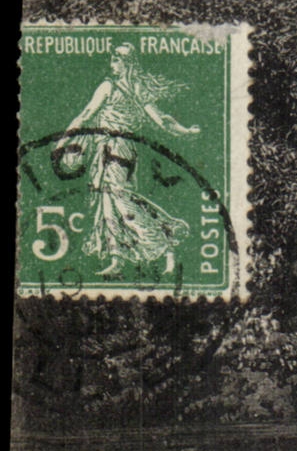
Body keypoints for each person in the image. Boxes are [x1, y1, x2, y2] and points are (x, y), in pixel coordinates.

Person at [59, 43, 200, 277]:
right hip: (123, 150)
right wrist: (185, 131)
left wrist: (63, 139)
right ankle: (117, 257)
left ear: (126, 63)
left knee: (121, 201)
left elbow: (85, 115)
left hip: (114, 149)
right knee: (108, 202)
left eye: (115, 61)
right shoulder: (137, 89)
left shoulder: (109, 86)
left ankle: (165, 241)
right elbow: (162, 120)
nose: (111, 65)